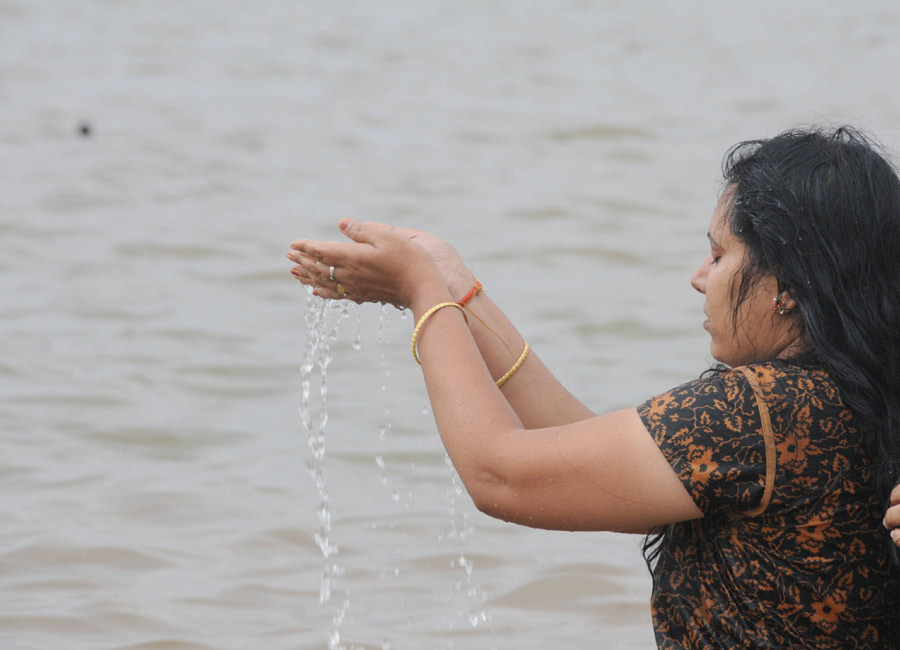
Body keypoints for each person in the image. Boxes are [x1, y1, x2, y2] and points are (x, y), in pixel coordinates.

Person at [286, 126, 900, 648]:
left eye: (719, 256)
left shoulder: (761, 411)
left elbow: (500, 474)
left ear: (788, 284)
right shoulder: (851, 399)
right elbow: (583, 455)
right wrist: (458, 289)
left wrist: (423, 294)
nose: (698, 278)